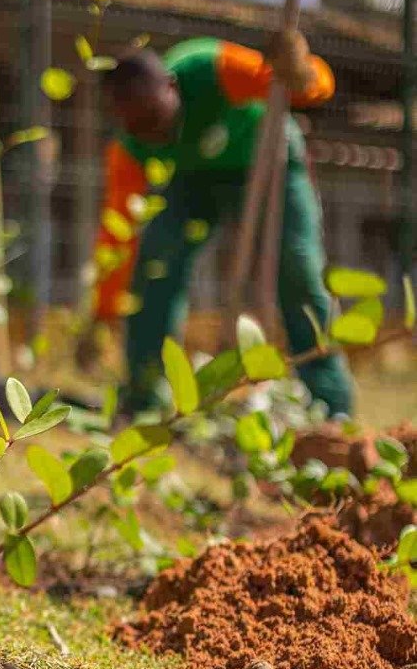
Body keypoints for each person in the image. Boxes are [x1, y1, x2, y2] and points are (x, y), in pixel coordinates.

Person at [79, 33, 353, 419]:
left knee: (297, 267)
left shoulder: (211, 67)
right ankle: (143, 396)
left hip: (268, 159)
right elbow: (119, 234)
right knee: (154, 262)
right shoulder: (131, 146)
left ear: (172, 87)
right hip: (193, 180)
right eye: (139, 128)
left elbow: (308, 89)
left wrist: (301, 70)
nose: (154, 135)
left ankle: (330, 404)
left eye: (156, 119)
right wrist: (103, 313)